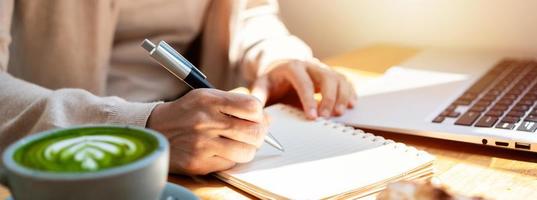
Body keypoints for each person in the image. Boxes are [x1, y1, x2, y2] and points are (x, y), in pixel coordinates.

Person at [0, 0, 356, 175]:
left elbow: (250, 12)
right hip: (61, 168)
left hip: (198, 152)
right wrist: (142, 129)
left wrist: (276, 57)